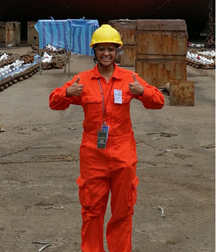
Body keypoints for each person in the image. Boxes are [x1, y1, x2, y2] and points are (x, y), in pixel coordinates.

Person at [48, 24, 164, 252]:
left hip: (123, 155)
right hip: (93, 156)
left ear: (118, 51)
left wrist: (143, 92)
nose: (106, 54)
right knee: (92, 211)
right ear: (95, 52)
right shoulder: (82, 80)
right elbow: (53, 102)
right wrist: (66, 93)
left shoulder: (129, 78)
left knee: (123, 211)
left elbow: (158, 101)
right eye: (101, 49)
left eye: (111, 49)